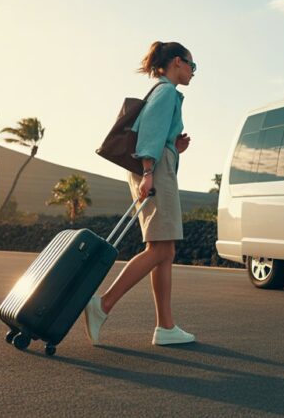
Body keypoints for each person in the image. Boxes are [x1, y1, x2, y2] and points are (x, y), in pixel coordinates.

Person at [82, 41, 197, 346]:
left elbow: (156, 133)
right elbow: (148, 135)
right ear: (177, 62)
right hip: (156, 173)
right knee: (159, 250)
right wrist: (148, 172)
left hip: (156, 168)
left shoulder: (162, 92)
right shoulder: (167, 92)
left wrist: (174, 145)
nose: (193, 72)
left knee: (165, 250)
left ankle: (166, 327)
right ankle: (103, 304)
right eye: (192, 66)